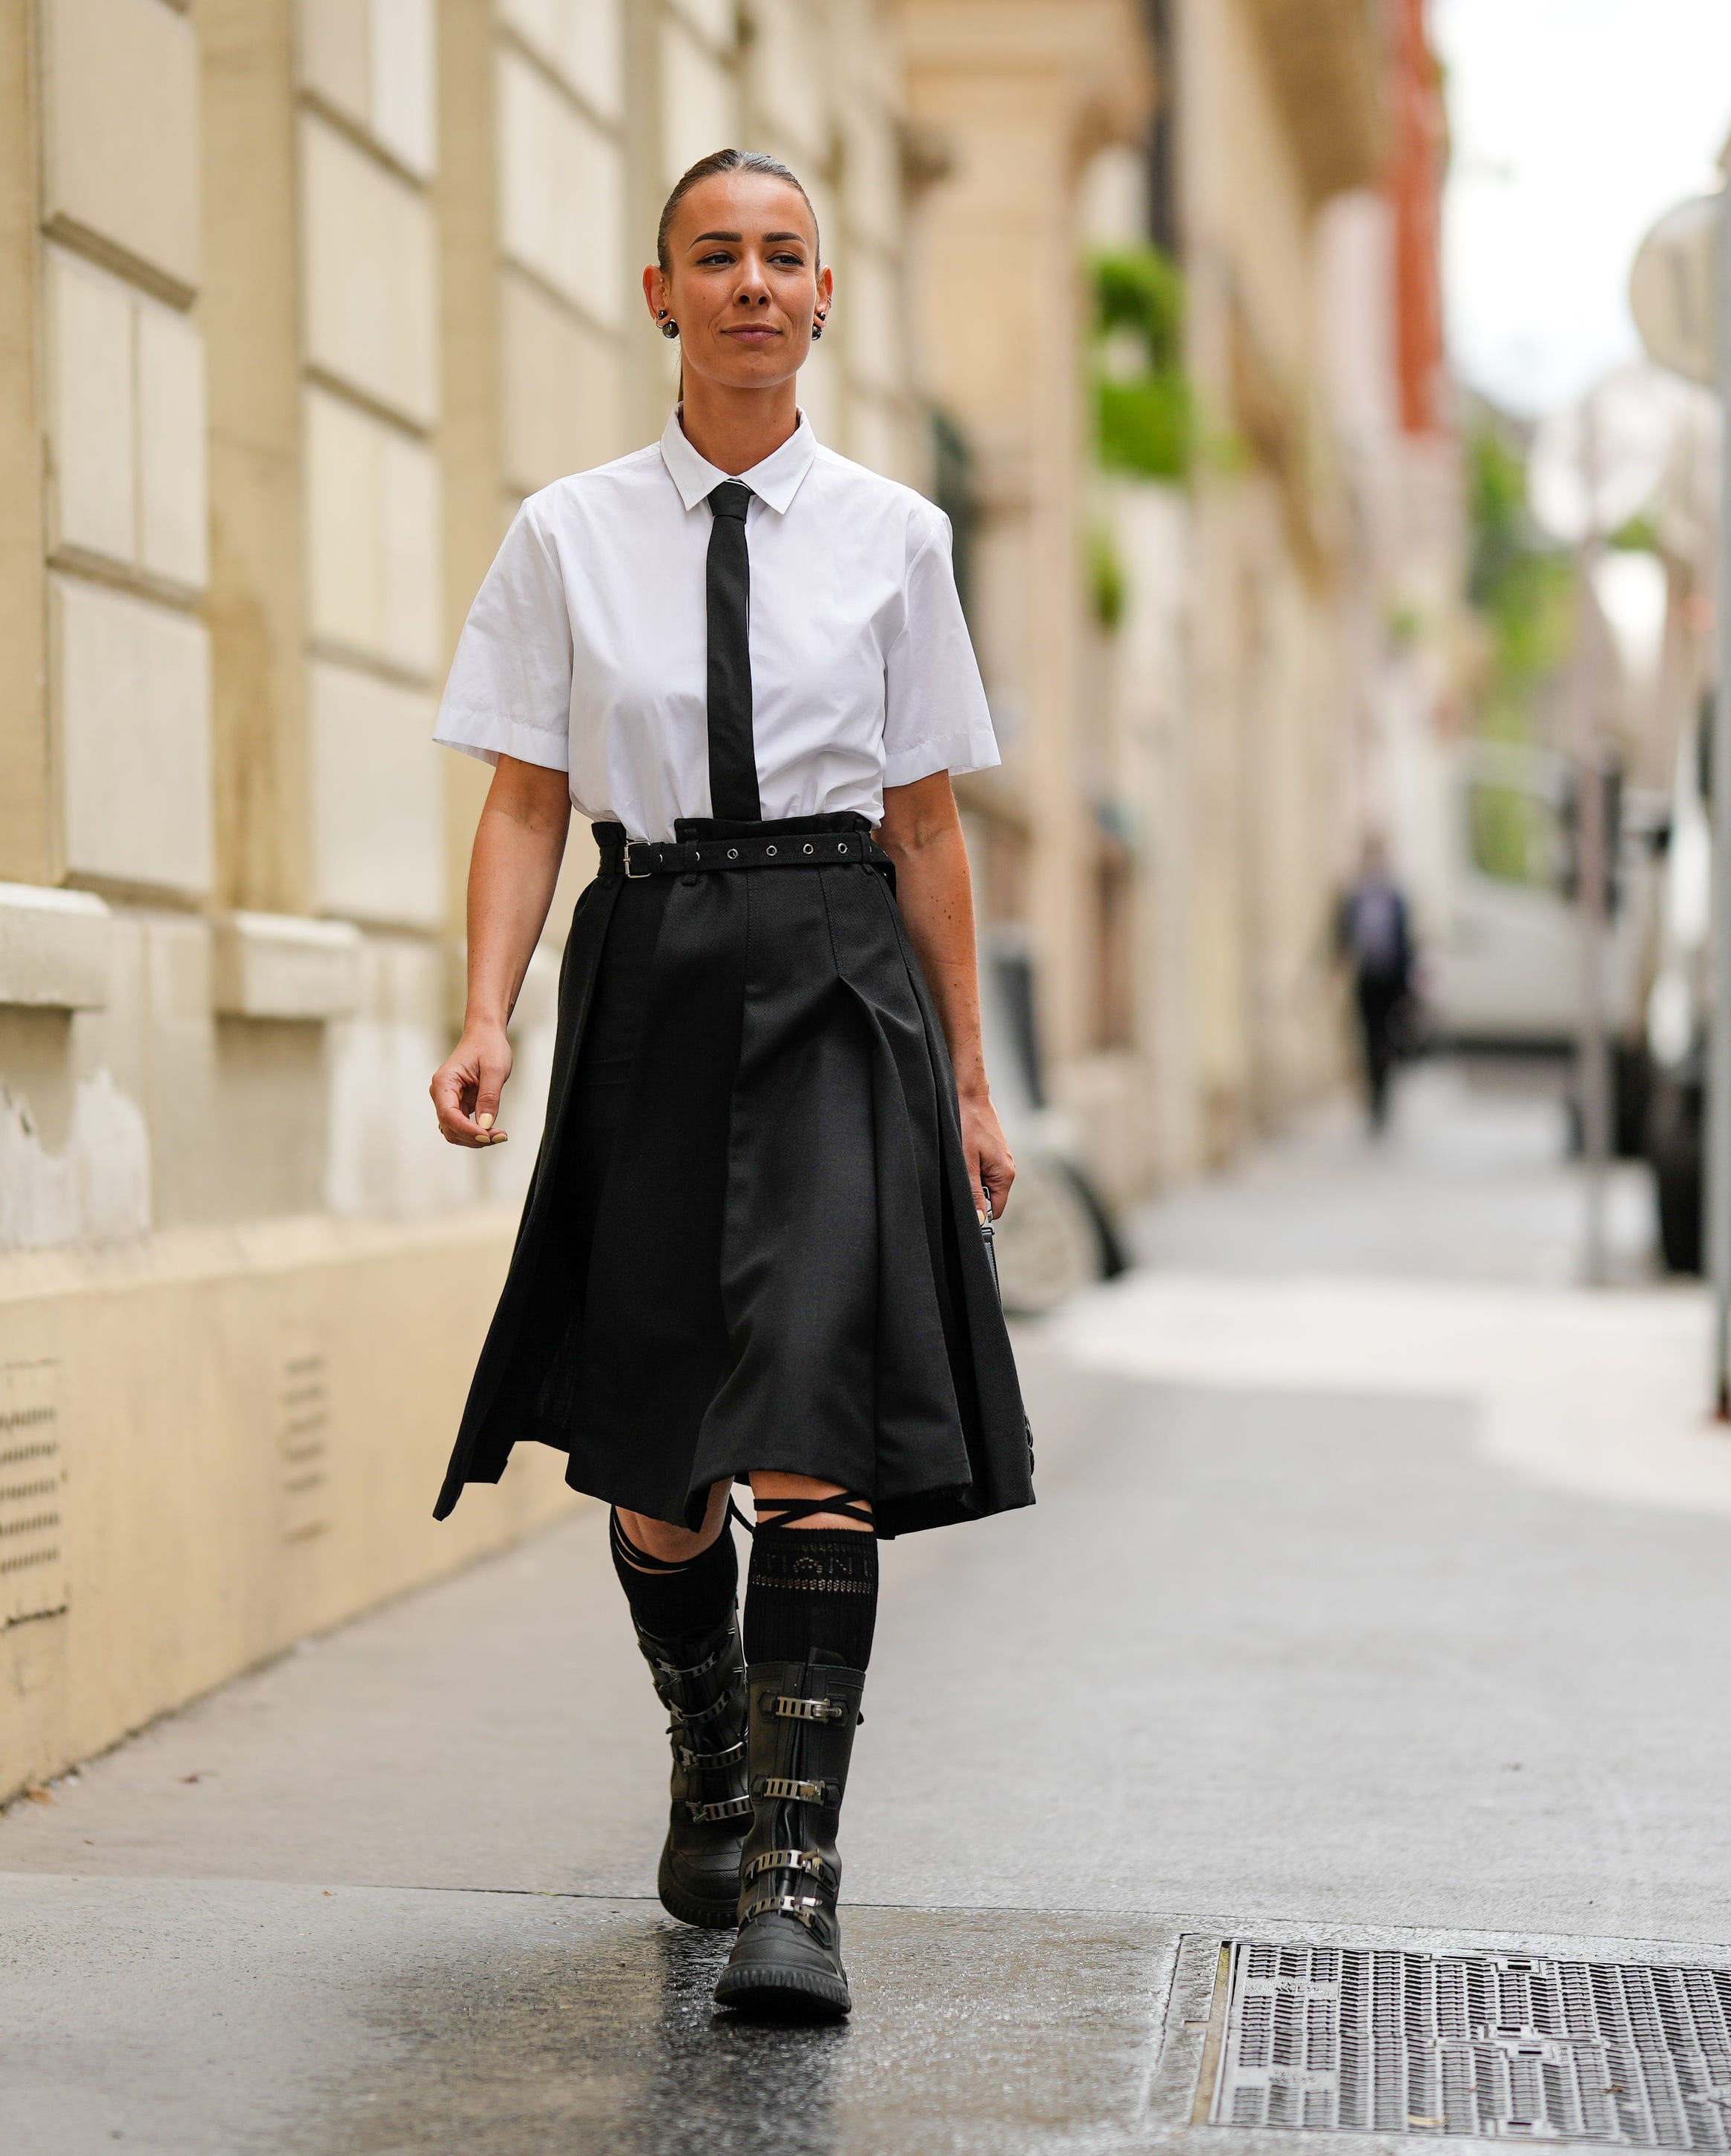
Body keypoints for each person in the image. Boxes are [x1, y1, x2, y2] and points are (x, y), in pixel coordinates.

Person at [425, 148, 1033, 2025]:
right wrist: (486, 1014)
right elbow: (527, 795)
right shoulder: (564, 533)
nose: (752, 283)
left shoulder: (896, 537)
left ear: (824, 297)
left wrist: (973, 1083)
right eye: (717, 256)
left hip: (841, 976)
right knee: (664, 1462)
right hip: (654, 967)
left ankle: (794, 1877)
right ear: (657, 291)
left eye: (783, 257)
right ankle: (704, 1740)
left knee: (811, 1432)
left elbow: (925, 820)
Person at [1334, 834, 1417, 1130]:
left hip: (1391, 979)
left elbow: (1407, 942)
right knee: (1368, 1038)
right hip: (1367, 977)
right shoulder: (1355, 897)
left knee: (1387, 1038)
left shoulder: (1395, 897)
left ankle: (1384, 1096)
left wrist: (1408, 984)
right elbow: (1343, 937)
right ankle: (1373, 1099)